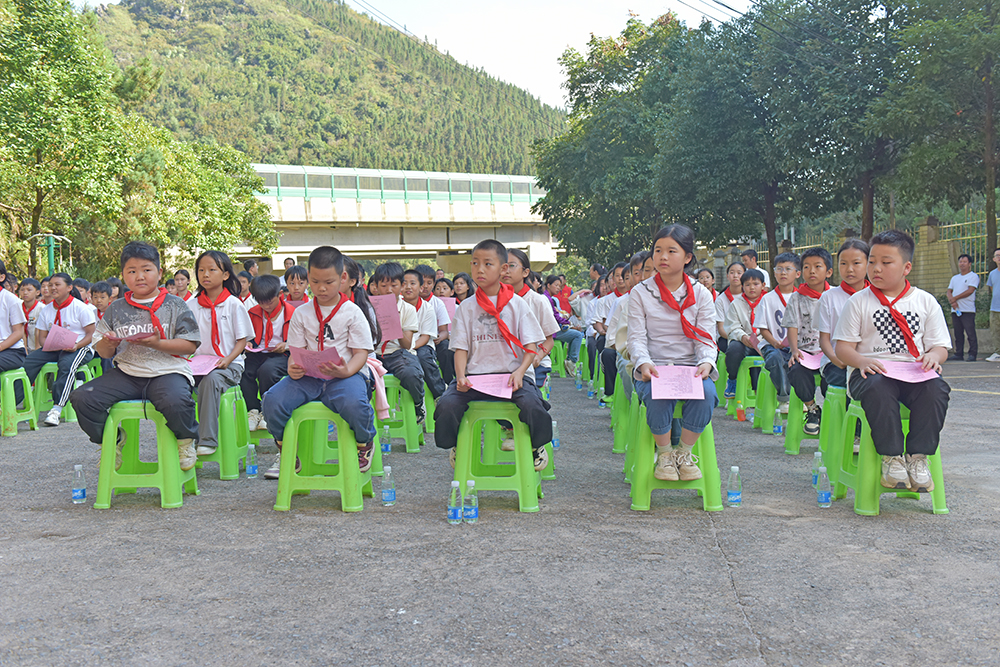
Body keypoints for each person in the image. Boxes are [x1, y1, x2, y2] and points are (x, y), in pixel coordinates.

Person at [834, 230, 951, 492]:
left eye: (886, 263)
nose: (876, 269)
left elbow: (940, 346)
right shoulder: (858, 302)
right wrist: (861, 361)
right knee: (878, 388)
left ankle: (918, 458)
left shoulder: (925, 301)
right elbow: (843, 348)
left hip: (913, 371)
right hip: (871, 372)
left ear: (906, 267)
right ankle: (892, 458)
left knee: (937, 389)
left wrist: (934, 355)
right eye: (872, 261)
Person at [70, 242, 201, 471]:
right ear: (123, 275)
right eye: (131, 271)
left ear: (159, 273)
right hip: (127, 373)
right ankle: (111, 440)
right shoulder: (116, 308)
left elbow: (189, 345)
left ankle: (185, 440)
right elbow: (103, 352)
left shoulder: (176, 305)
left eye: (146, 269)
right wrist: (108, 342)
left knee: (176, 400)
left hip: (168, 371)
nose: (139, 276)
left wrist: (158, 344)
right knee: (83, 398)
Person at [433, 239, 551, 472]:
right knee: (446, 406)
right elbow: (460, 349)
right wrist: (460, 377)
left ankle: (536, 446)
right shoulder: (466, 307)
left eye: (488, 264)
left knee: (532, 405)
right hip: (476, 379)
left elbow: (530, 346)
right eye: (475, 263)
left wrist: (520, 371)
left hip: (513, 377)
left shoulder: (518, 305)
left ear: (503, 269)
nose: (480, 269)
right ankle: (456, 442)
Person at [261, 246, 377, 477]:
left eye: (329, 282)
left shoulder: (352, 312)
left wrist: (346, 372)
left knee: (355, 405)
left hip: (344, 376)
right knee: (272, 400)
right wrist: (292, 366)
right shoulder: (302, 313)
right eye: (314, 282)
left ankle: (365, 443)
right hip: (308, 377)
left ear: (343, 278)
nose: (321, 288)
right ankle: (285, 447)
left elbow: (361, 353)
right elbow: (296, 350)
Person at [629, 225, 718, 481]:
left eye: (671, 251)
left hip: (689, 368)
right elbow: (636, 337)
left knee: (708, 394)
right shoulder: (640, 292)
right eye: (657, 250)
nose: (662, 257)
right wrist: (644, 363)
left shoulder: (701, 294)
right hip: (655, 366)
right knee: (658, 396)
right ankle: (665, 454)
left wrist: (705, 363)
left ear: (688, 257)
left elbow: (705, 337)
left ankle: (685, 453)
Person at [190, 250, 253, 458]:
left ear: (225, 275)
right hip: (198, 364)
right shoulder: (191, 305)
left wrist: (227, 359)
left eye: (211, 270)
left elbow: (242, 340)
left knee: (211, 380)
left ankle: (207, 439)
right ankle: (184, 439)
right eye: (201, 270)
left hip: (229, 364)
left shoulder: (234, 304)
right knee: (172, 383)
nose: (205, 275)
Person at [23, 273, 96, 426]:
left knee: (66, 365)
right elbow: (42, 337)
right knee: (29, 361)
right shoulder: (47, 309)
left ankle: (56, 409)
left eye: (57, 284)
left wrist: (76, 345)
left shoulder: (80, 308)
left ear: (69, 288)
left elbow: (92, 335)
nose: (52, 288)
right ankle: (16, 403)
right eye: (50, 285)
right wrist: (49, 345)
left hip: (80, 347)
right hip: (55, 348)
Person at [783, 248, 833, 435]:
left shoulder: (834, 296)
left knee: (834, 374)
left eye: (817, 266)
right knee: (795, 370)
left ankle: (832, 411)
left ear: (828, 272)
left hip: (829, 352)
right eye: (806, 267)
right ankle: (812, 409)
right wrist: (795, 350)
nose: (811, 271)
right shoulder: (796, 297)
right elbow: (792, 326)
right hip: (805, 351)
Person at [371, 262, 426, 421]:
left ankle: (417, 403)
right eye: (384, 285)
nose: (389, 290)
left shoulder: (408, 309)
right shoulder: (368, 307)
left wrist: (393, 320)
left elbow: (407, 344)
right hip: (374, 354)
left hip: (397, 353)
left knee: (411, 373)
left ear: (401, 286)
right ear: (376, 286)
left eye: (393, 285)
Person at [243, 274, 294, 433]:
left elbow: (301, 340)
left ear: (279, 295)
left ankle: (267, 409)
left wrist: (286, 345)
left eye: (269, 302)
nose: (266, 306)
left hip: (283, 354)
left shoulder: (292, 313)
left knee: (268, 370)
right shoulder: (253, 312)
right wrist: (248, 343)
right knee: (243, 369)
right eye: (261, 302)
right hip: (259, 352)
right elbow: (248, 335)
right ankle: (253, 409)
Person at [504, 249, 560, 391]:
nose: (506, 271)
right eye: (503, 266)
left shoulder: (538, 301)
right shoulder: (494, 301)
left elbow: (549, 340)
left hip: (535, 362)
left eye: (512, 265)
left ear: (525, 272)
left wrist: (537, 357)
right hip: (505, 363)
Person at [757, 252, 800, 411]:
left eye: (788, 269)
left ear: (797, 273)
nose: (783, 273)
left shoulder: (800, 297)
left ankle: (806, 400)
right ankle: (784, 398)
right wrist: (774, 342)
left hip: (797, 346)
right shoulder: (767, 298)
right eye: (779, 269)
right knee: (775, 358)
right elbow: (762, 328)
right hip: (772, 344)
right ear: (773, 272)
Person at [402, 268, 446, 400]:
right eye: (404, 283)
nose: (408, 287)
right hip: (400, 345)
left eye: (413, 283)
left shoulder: (428, 308)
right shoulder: (396, 306)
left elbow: (425, 337)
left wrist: (410, 347)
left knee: (423, 359)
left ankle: (440, 394)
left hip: (421, 345)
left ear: (420, 288)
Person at [723, 268, 766, 398]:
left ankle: (761, 392)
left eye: (756, 284)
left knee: (768, 356)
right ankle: (732, 380)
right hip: (743, 341)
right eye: (747, 285)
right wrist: (743, 337)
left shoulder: (768, 302)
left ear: (763, 285)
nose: (751, 288)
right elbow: (732, 326)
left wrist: (761, 338)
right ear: (742, 287)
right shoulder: (736, 304)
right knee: (733, 350)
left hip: (763, 341)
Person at [415, 264, 451, 399]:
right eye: (422, 283)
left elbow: (444, 331)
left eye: (429, 283)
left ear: (434, 284)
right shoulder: (405, 302)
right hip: (412, 341)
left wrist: (439, 338)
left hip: (432, 341)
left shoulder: (437, 303)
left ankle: (446, 383)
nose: (425, 286)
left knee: (445, 347)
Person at [541, 275, 583, 377]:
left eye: (559, 286)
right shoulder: (547, 299)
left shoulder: (548, 298)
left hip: (550, 329)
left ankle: (570, 360)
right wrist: (567, 322)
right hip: (551, 331)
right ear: (548, 285)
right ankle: (572, 361)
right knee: (578, 335)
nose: (558, 288)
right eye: (556, 285)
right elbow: (554, 317)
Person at [0, 260, 28, 403]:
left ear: (1, 277)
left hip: (12, 351)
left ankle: (2, 408)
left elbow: (18, 332)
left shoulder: (10, 299)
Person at [946, 253, 979, 361]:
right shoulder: (955, 278)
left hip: (967, 309)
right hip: (955, 310)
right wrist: (952, 300)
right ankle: (958, 353)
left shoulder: (973, 276)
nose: (962, 264)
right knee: (958, 333)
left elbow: (970, 290)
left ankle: (972, 354)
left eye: (964, 262)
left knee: (970, 333)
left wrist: (955, 298)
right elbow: (949, 291)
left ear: (969, 264)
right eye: (960, 262)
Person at [714, 261, 745, 357]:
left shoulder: (750, 296)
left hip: (748, 336)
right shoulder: (720, 300)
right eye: (732, 273)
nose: (735, 276)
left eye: (739, 273)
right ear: (727, 276)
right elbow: (721, 328)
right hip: (727, 337)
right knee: (736, 349)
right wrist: (739, 338)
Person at [19, 277, 43, 352]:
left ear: (37, 292)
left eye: (29, 290)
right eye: (22, 290)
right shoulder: (17, 307)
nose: (25, 293)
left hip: (37, 347)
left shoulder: (41, 308)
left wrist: (37, 350)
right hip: (21, 347)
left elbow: (39, 330)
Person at [987, 248, 1000, 362]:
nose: (999, 257)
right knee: (995, 331)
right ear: (994, 259)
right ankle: (998, 353)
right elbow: (992, 289)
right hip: (995, 307)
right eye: (997, 255)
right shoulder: (992, 274)